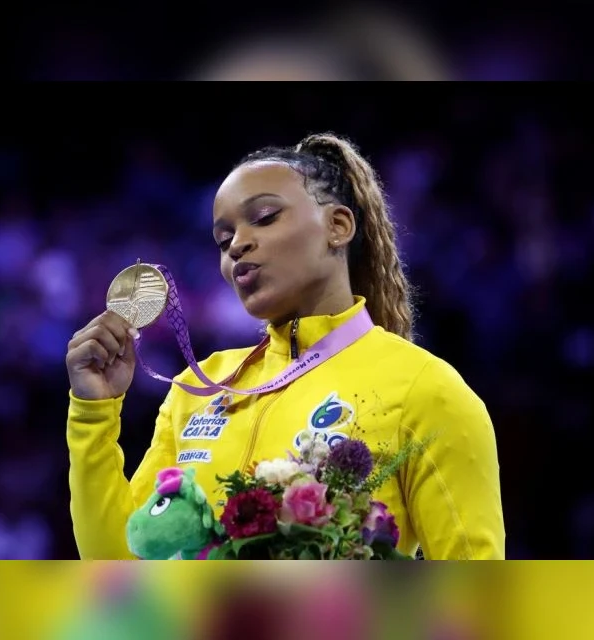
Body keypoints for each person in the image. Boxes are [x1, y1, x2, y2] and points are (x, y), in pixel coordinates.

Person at [65, 133, 504, 559]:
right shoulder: (199, 388)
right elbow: (123, 563)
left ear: (337, 226)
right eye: (223, 240)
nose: (237, 244)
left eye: (264, 217)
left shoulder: (423, 389)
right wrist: (93, 414)